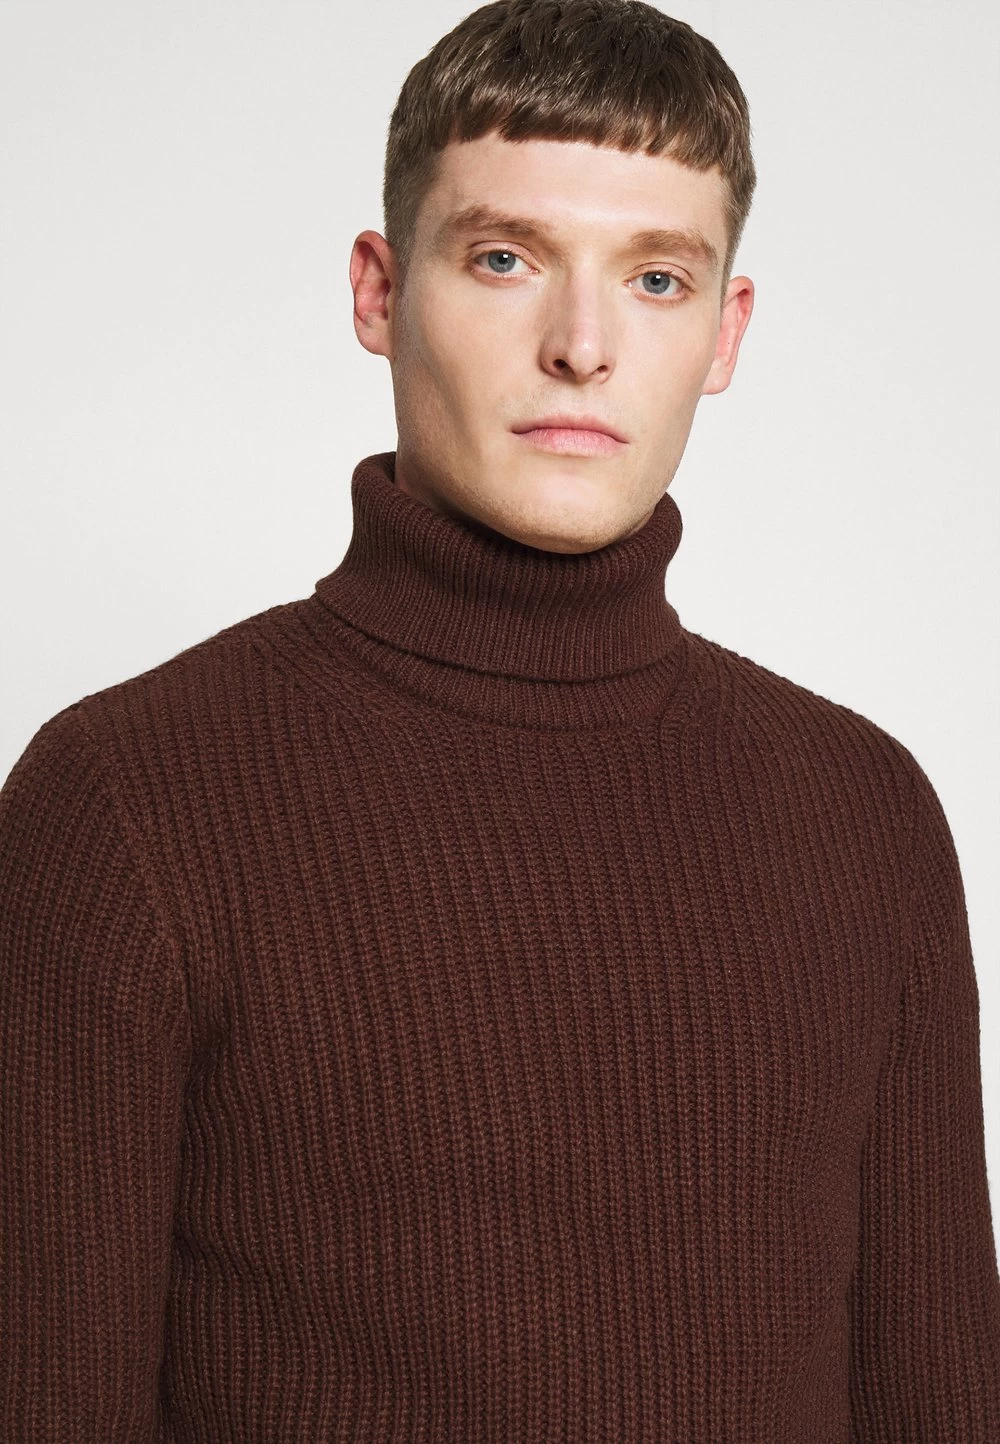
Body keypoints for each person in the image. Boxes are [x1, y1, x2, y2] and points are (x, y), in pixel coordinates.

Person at [2, 0, 997, 1437]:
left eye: (655, 277)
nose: (582, 344)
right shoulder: (125, 800)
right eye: (506, 258)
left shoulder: (864, 816)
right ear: (377, 292)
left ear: (725, 332)